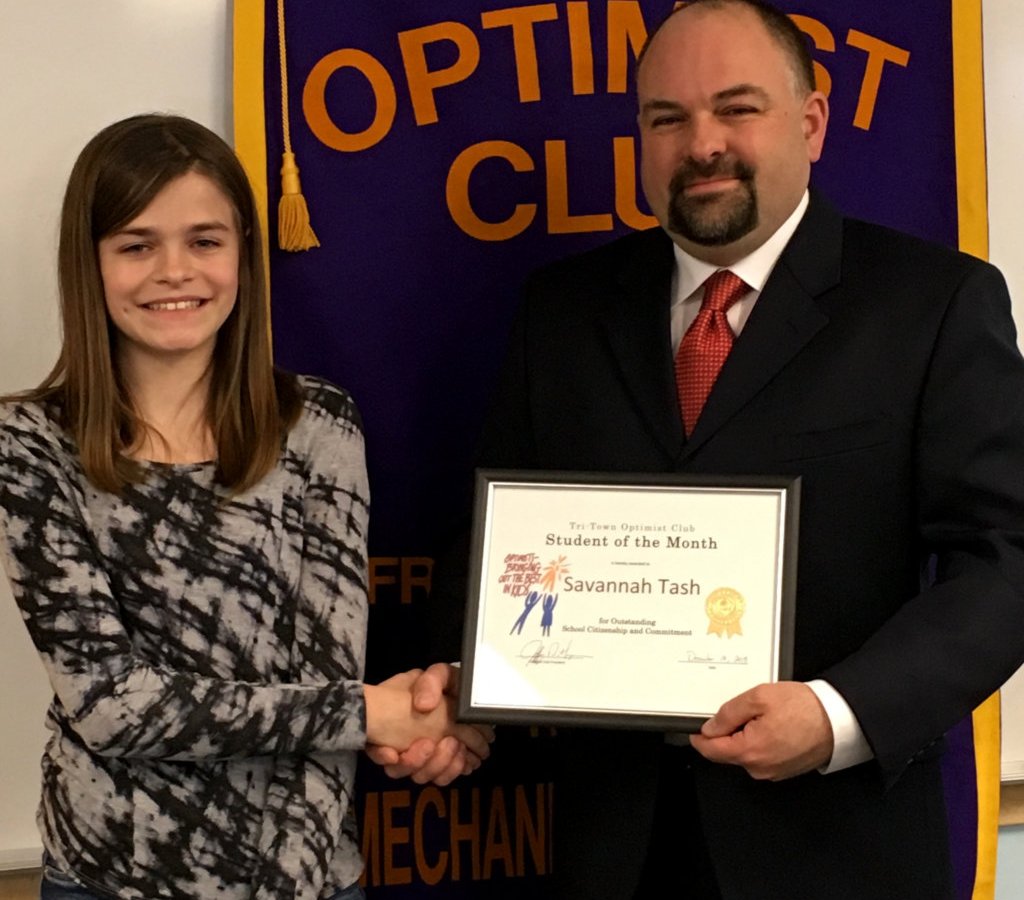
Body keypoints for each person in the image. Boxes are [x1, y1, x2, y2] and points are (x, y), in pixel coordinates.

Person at [370, 1, 1024, 897]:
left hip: (835, 852)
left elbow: (1006, 560)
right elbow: (493, 543)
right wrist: (465, 695)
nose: (702, 143)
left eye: (737, 108)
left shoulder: (933, 303)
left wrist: (837, 715)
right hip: (612, 854)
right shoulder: (563, 310)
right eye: (667, 118)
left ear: (812, 122)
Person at [0, 113, 491, 900]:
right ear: (87, 262)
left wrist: (295, 875)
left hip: (305, 879)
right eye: (136, 245)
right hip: (102, 879)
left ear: (244, 255)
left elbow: (328, 675)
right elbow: (111, 705)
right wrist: (375, 714)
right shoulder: (28, 444)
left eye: (204, 240)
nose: (174, 271)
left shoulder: (320, 424)